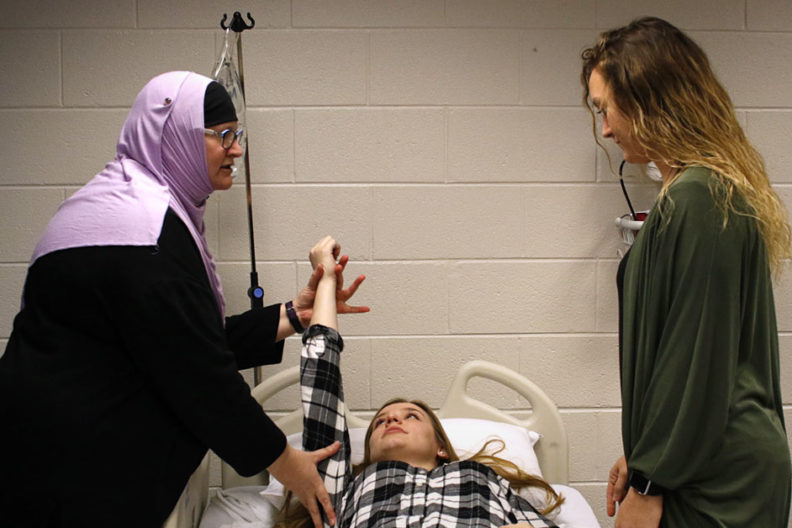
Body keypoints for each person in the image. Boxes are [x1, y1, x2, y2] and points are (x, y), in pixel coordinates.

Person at [0, 71, 368, 528]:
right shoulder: (145, 235)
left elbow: (175, 344)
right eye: (224, 136)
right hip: (78, 477)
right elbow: (200, 376)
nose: (237, 150)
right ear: (174, 137)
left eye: (239, 135)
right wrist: (287, 464)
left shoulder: (111, 206)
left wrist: (294, 314)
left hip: (42, 451)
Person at [580, 17, 792, 527]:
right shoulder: (694, 195)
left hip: (717, 479)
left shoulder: (700, 196)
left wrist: (652, 481)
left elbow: (696, 356)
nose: (605, 129)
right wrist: (644, 454)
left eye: (605, 108)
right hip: (698, 461)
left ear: (651, 99)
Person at [278, 236, 564, 528]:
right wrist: (324, 281)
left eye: (411, 416)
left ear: (441, 446)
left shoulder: (483, 480)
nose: (391, 421)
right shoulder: (343, 491)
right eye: (380, 422)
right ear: (369, 452)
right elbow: (321, 389)